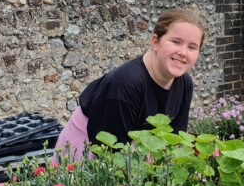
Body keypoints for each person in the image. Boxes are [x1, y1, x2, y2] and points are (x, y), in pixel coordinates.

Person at [55, 9, 205, 161]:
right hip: (86, 151)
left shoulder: (185, 83)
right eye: (176, 42)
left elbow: (176, 140)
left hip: (135, 156)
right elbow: (110, 155)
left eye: (192, 47)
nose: (183, 52)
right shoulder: (125, 84)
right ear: (155, 42)